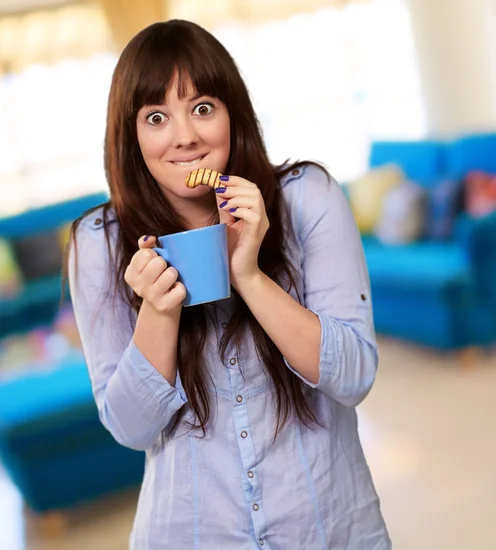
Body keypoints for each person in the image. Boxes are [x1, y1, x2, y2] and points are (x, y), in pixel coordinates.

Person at [68, 19, 391, 550]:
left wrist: (249, 274)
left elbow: (354, 376)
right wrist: (159, 310)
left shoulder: (308, 197)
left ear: (232, 113)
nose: (185, 136)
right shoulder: (99, 244)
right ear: (132, 138)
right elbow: (131, 429)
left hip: (331, 530)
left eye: (202, 108)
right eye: (156, 117)